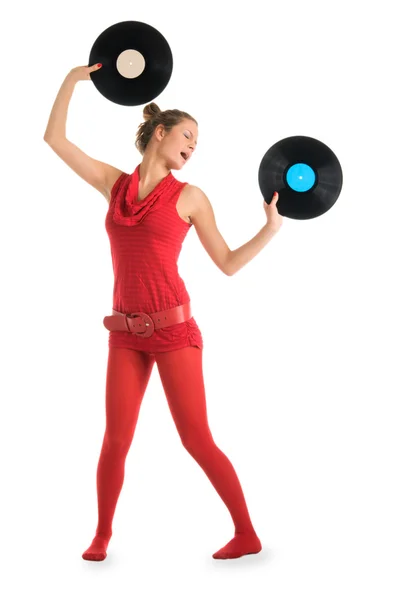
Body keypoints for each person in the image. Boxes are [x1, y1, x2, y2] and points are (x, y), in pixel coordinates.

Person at [43, 64, 283, 561]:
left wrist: (270, 229)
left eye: (197, 142)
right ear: (160, 133)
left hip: (175, 333)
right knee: (115, 439)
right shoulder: (114, 184)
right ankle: (102, 535)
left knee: (196, 438)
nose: (193, 146)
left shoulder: (190, 197)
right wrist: (72, 80)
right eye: (187, 135)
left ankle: (246, 532)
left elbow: (229, 264)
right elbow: (56, 139)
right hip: (125, 333)